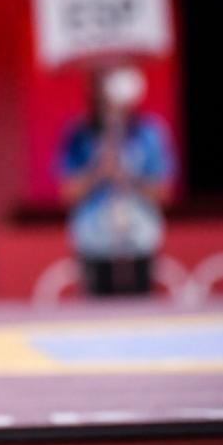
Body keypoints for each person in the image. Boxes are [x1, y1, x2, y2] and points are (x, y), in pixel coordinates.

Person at [56, 62, 176, 296]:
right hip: (93, 239)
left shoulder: (151, 133)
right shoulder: (78, 134)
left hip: (139, 236)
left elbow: (164, 193)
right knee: (96, 318)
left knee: (141, 310)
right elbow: (67, 194)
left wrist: (128, 177)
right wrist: (99, 172)